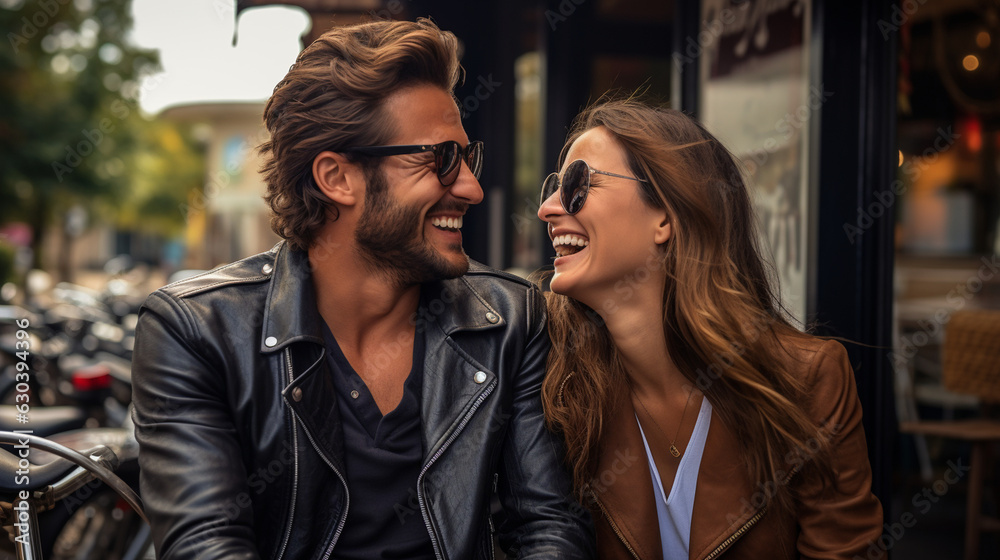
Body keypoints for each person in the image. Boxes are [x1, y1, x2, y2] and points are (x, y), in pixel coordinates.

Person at [131, 18, 593, 560]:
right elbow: (206, 546)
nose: (470, 186)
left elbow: (549, 527)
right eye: (440, 159)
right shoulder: (197, 332)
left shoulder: (511, 319)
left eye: (468, 158)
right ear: (337, 178)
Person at [536, 99, 884, 559]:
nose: (547, 209)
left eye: (579, 184)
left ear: (665, 216)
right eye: (554, 187)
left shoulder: (806, 382)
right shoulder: (554, 378)